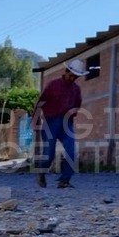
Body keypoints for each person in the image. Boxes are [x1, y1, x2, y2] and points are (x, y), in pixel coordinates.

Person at [32, 59, 88, 188]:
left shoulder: (76, 89)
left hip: (67, 123)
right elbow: (40, 103)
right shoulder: (53, 85)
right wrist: (36, 121)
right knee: (49, 154)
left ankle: (64, 180)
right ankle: (41, 172)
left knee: (71, 151)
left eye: (76, 77)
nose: (73, 78)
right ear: (66, 71)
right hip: (50, 122)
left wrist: (72, 114)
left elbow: (77, 104)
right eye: (71, 75)